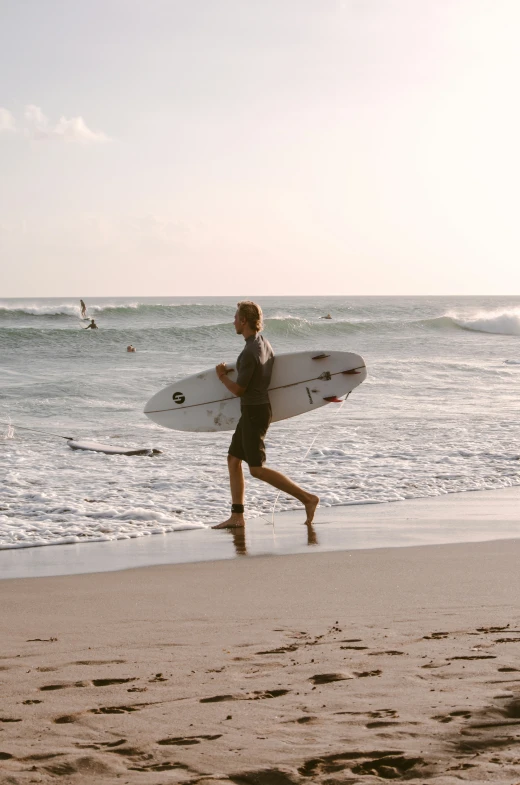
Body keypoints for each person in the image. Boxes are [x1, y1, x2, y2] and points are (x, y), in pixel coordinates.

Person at [212, 301, 319, 529]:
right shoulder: (263, 344)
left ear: (244, 321)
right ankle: (237, 516)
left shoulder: (250, 351)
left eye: (236, 317)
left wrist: (221, 376)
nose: (233, 321)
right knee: (233, 460)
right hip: (254, 411)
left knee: (256, 469)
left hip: (254, 412)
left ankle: (307, 498)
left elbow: (240, 389)